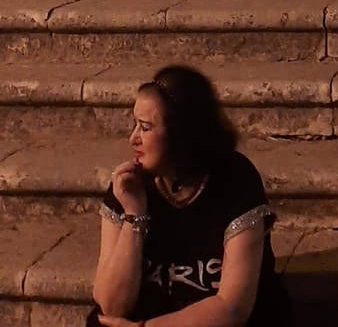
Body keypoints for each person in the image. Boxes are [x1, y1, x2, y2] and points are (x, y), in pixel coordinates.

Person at [87, 63, 290, 327]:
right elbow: (111, 306)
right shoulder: (130, 184)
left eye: (145, 128)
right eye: (135, 124)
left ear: (180, 134)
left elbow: (231, 308)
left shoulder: (235, 181)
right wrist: (134, 217)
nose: (133, 138)